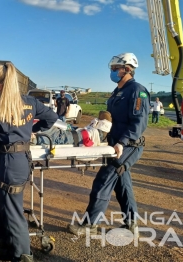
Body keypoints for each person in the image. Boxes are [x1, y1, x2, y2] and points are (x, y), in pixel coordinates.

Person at [0, 62, 58, 262]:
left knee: (14, 216)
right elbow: (51, 118)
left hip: (11, 165)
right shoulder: (29, 103)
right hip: (15, 163)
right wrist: (31, 131)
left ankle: (22, 256)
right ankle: (6, 244)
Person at [67, 53, 150, 236]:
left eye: (115, 69)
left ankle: (89, 225)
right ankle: (131, 224)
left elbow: (139, 122)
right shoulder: (117, 91)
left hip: (127, 146)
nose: (112, 72)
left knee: (103, 181)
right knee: (122, 184)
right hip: (113, 144)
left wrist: (122, 142)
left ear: (127, 69)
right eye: (112, 68)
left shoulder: (137, 90)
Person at [32, 111, 112, 146]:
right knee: (64, 135)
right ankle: (100, 135)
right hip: (47, 134)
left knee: (69, 127)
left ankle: (92, 132)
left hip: (43, 127)